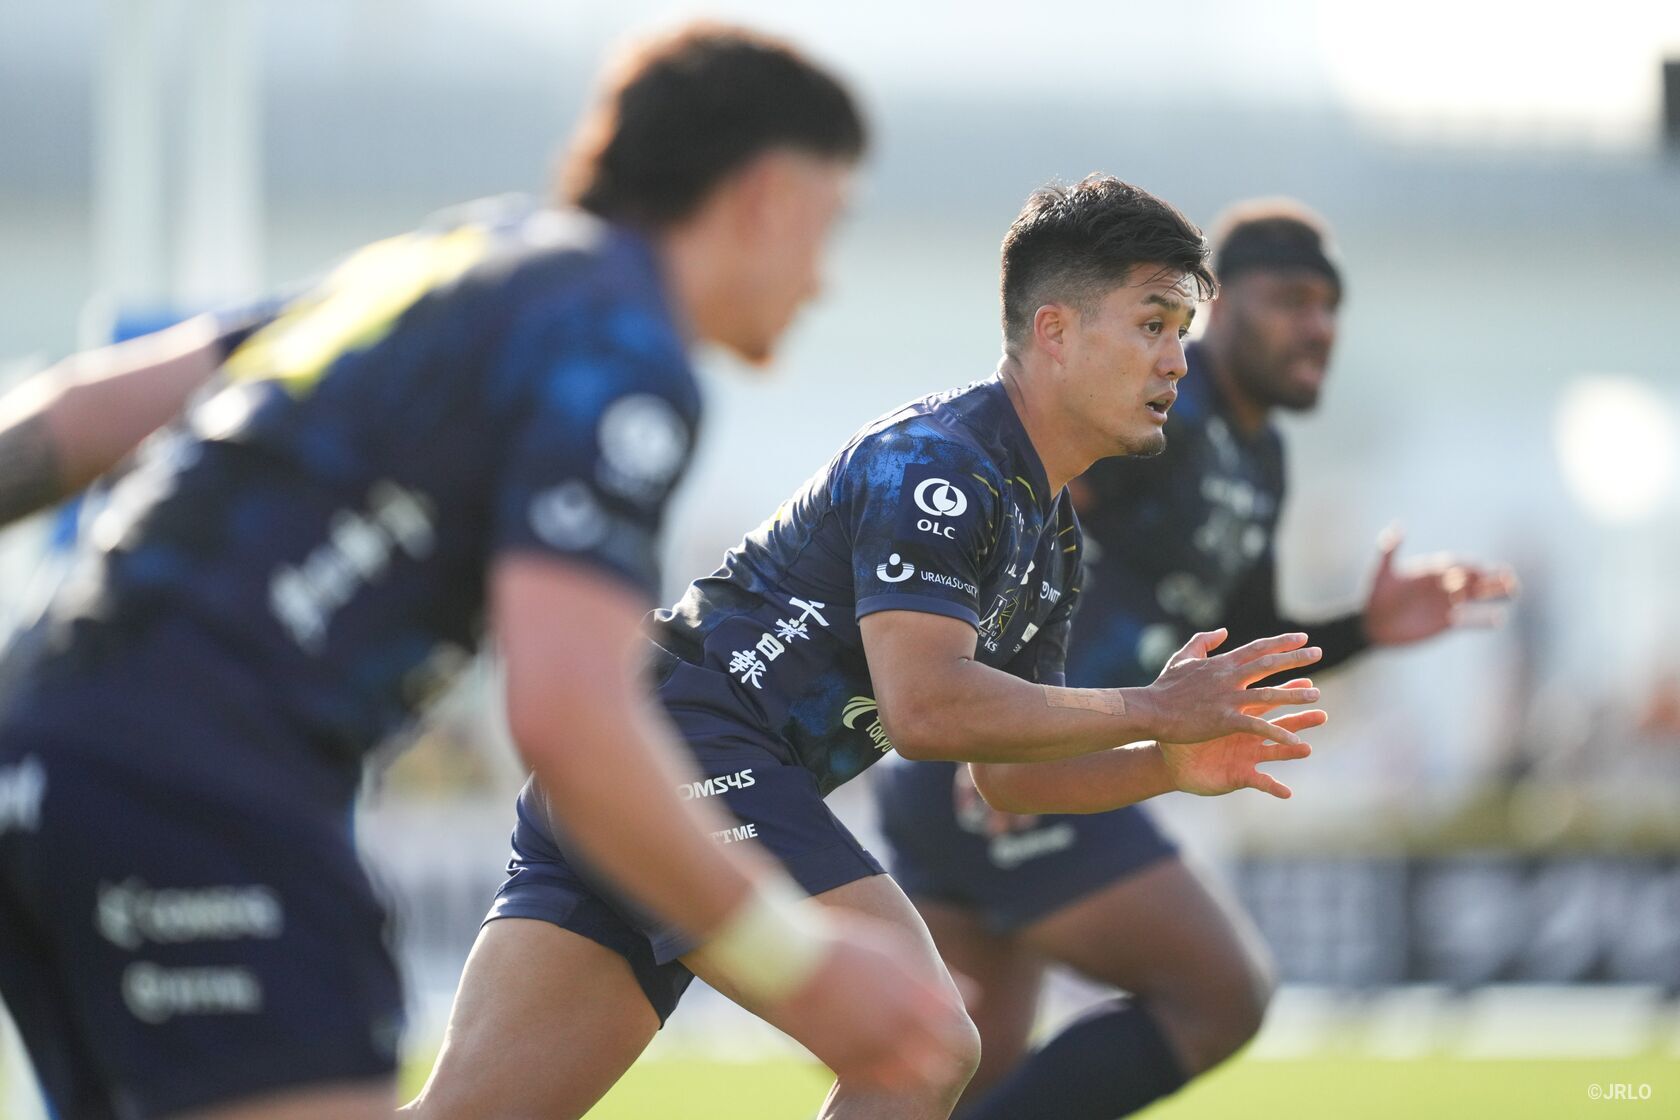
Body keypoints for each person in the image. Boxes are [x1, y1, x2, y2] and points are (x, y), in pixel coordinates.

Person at [0, 24, 973, 1120]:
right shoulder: (621, 348)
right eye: (827, 226)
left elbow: (83, 414)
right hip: (202, 782)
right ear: (766, 199)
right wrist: (794, 955)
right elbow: (567, 713)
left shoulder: (455, 260)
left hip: (39, 749)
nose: (820, 281)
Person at [408, 175, 1328, 1120]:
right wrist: (1150, 706)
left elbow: (1009, 781)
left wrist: (1162, 760)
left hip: (647, 755)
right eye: (1154, 324)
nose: (1177, 360)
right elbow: (923, 708)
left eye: (1182, 329)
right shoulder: (941, 462)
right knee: (921, 1047)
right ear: (1054, 331)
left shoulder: (1048, 537)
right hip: (690, 748)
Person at [871, 199, 1519, 1120]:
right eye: (1289, 300)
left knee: (950, 1074)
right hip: (1012, 767)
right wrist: (1008, 723)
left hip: (1018, 769)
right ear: (1218, 304)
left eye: (1329, 305)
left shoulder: (1260, 457)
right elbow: (1023, 504)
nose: (1317, 326)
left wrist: (1368, 627)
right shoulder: (1153, 411)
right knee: (1220, 995)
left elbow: (1242, 652)